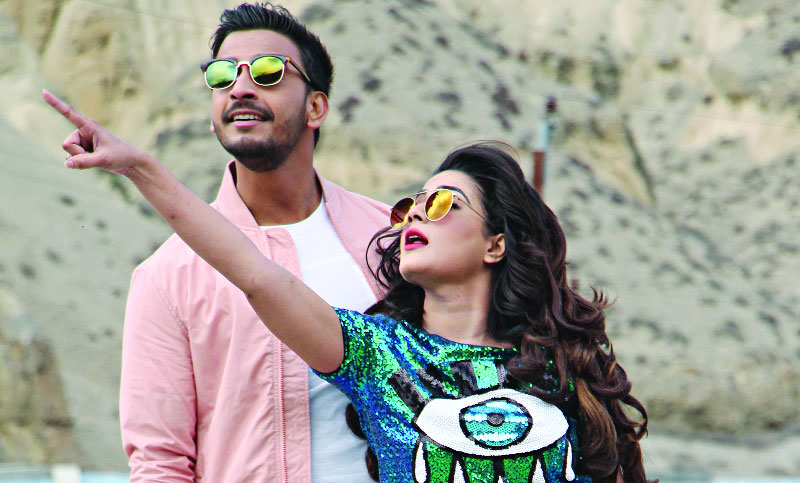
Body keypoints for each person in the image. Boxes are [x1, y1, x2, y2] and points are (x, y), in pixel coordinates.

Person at [44, 89, 651, 481]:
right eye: (411, 205)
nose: (416, 215)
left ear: (496, 244)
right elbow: (255, 273)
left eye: (443, 204)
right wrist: (140, 169)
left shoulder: (557, 364)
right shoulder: (375, 354)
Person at [72, 3, 387, 481]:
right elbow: (160, 463)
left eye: (268, 72)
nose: (240, 88)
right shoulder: (167, 277)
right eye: (222, 76)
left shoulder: (390, 237)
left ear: (316, 107)